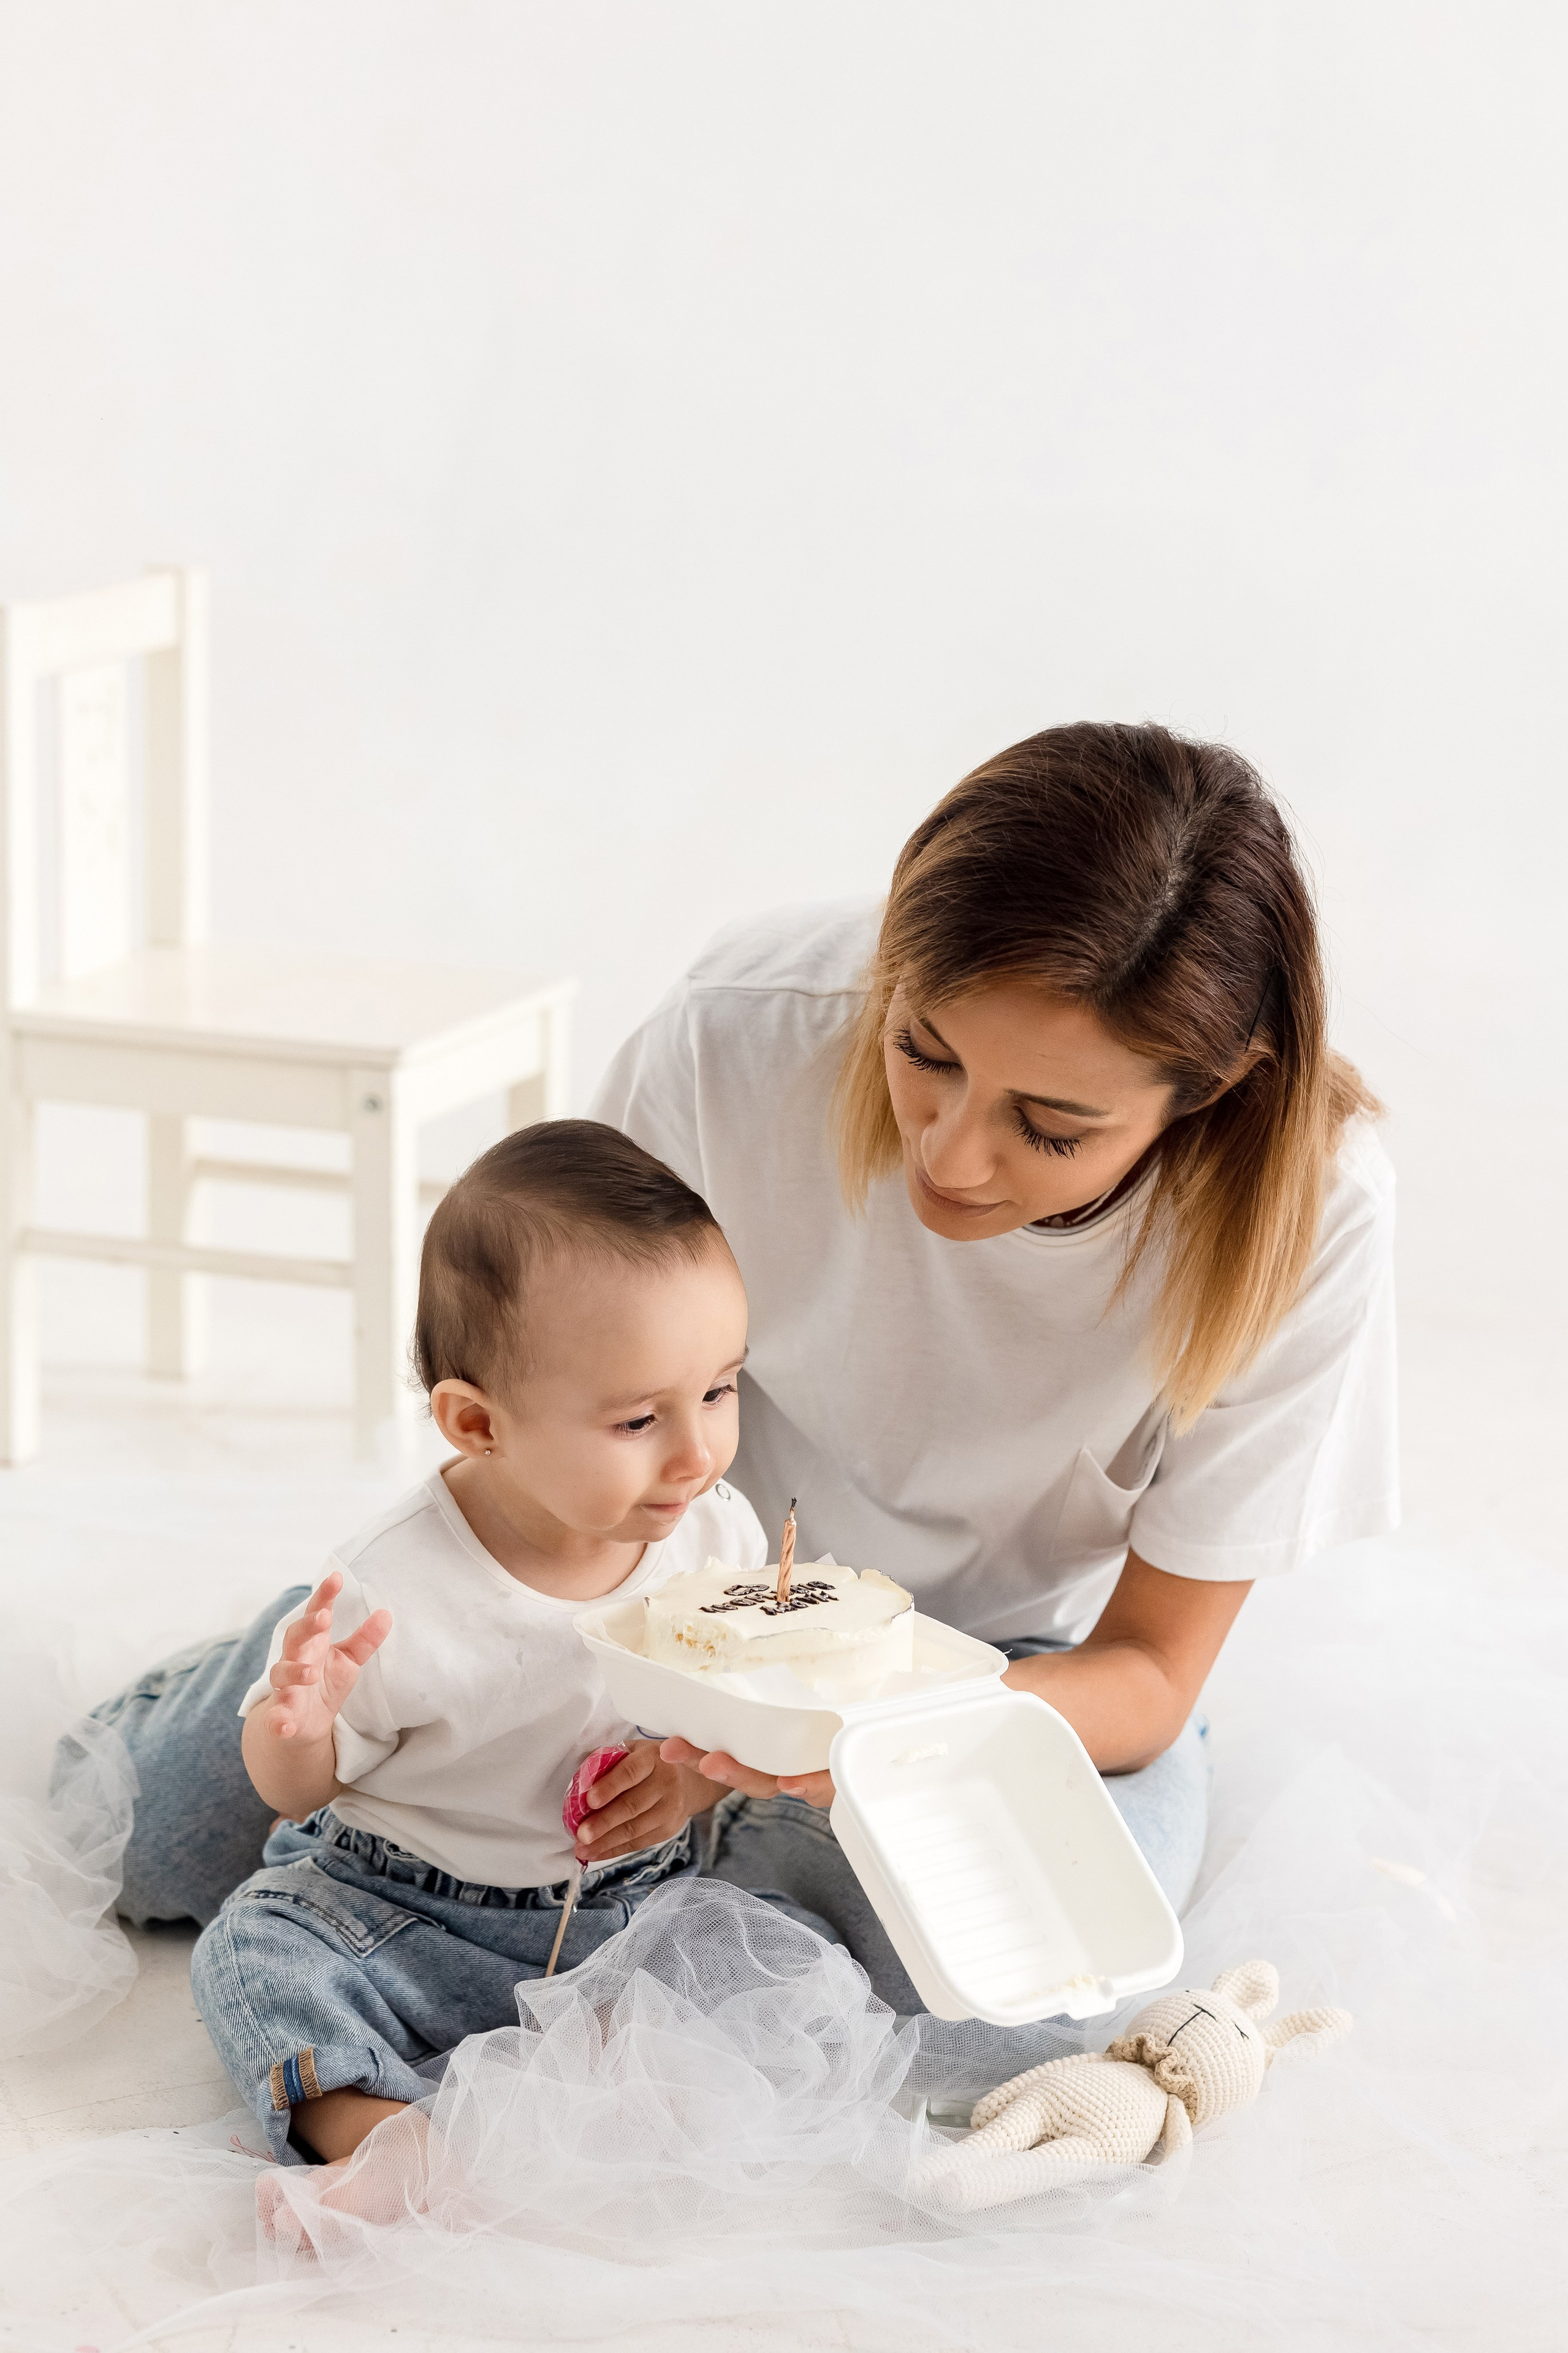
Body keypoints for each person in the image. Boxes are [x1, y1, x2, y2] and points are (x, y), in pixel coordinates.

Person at [74, 720, 1396, 2018]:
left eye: (1050, 1128)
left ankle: (676, 1846)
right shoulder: (749, 1024)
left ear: (1212, 1089)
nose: (948, 1157)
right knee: (144, 1843)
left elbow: (1148, 1672)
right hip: (643, 1591)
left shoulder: (1312, 1219)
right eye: (923, 1053)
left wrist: (844, 1731)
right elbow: (550, 1366)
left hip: (977, 1665)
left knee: (1025, 2015)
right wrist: (492, 1634)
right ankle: (390, 1686)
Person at [188, 1120, 819, 2176]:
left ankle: (604, 2069)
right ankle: (370, 2138)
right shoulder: (395, 1588)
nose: (698, 1453)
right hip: (401, 1910)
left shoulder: (715, 1537)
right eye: (638, 1422)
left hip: (626, 1909)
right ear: (479, 1426)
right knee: (254, 1954)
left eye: (718, 1391)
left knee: (771, 1955)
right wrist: (293, 1728)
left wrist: (685, 1787)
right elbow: (296, 1792)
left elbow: (729, 1716)